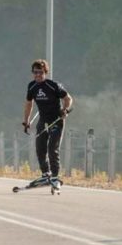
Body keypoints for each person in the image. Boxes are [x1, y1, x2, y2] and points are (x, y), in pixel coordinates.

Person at [22, 59, 73, 191]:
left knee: (52, 149)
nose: (37, 75)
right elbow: (29, 104)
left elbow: (68, 99)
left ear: (45, 72)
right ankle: (46, 174)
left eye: (40, 72)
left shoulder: (53, 85)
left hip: (56, 120)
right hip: (43, 121)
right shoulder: (32, 86)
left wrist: (65, 109)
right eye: (35, 72)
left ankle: (55, 177)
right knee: (40, 148)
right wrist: (26, 121)